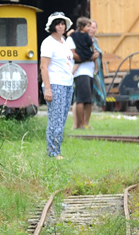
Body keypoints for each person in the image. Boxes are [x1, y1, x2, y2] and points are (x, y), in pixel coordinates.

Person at [39, 12, 76, 158]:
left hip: (67, 83)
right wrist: (48, 88)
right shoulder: (48, 43)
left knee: (63, 119)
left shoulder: (65, 42)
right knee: (56, 119)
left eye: (63, 23)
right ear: (52, 26)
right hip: (55, 83)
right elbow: (44, 67)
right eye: (58, 23)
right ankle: (53, 152)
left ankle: (56, 150)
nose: (61, 26)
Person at [69, 17, 100, 130]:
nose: (91, 29)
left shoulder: (92, 40)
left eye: (93, 27)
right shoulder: (74, 37)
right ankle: (79, 124)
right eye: (89, 26)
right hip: (81, 72)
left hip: (89, 72)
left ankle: (84, 123)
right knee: (81, 99)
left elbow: (95, 53)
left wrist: (95, 66)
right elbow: (73, 54)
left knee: (88, 99)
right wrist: (88, 58)